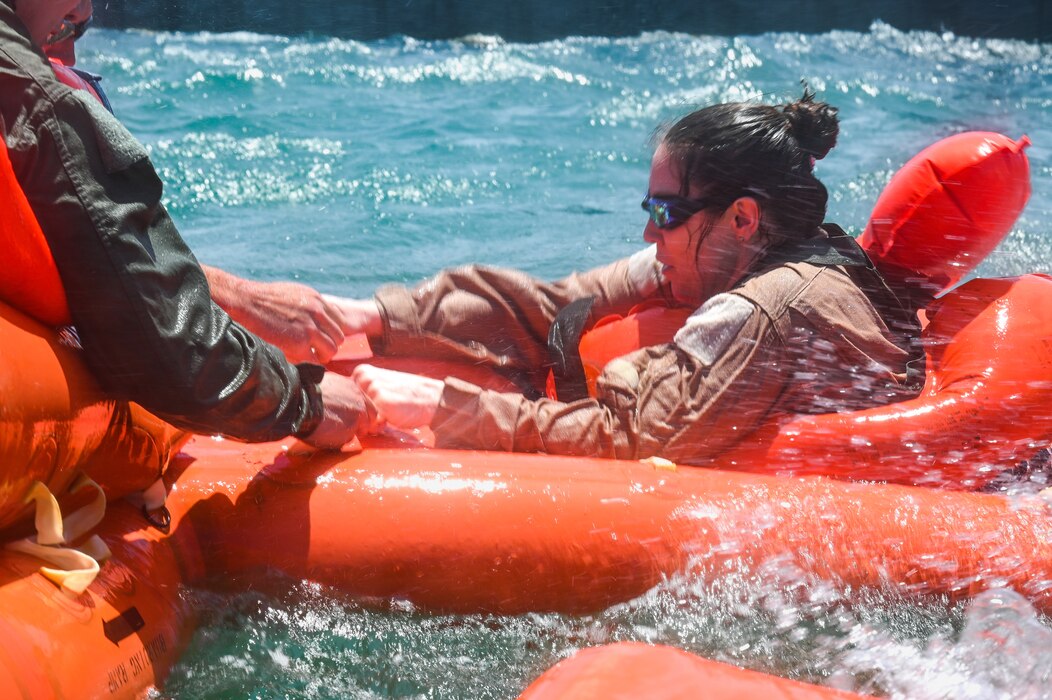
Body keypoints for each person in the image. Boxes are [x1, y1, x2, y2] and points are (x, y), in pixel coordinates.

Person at [338, 92, 924, 464]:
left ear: (742, 217)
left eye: (664, 213)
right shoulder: (772, 253)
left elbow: (630, 439)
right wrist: (378, 317)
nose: (650, 233)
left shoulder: (759, 312)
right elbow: (564, 301)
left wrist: (445, 406)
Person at [1, 0, 365, 448]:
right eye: (67, 27)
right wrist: (306, 401)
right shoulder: (29, 93)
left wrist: (227, 294)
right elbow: (168, 352)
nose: (67, 56)